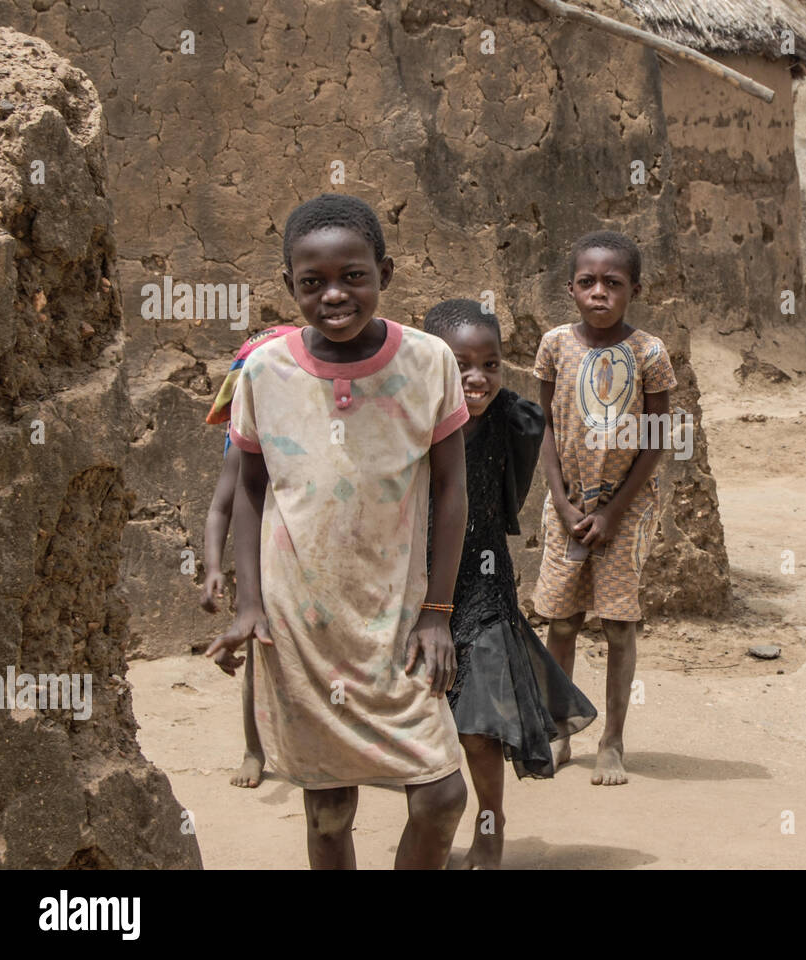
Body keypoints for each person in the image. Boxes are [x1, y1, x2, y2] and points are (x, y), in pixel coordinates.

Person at [206, 194, 469, 869]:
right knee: (328, 813)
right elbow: (250, 490)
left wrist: (437, 613)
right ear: (286, 285)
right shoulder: (264, 371)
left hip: (398, 622)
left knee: (440, 796)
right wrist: (248, 602)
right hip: (301, 627)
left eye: (353, 276)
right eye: (311, 282)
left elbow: (450, 492)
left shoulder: (430, 363)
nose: (334, 295)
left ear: (385, 270)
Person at [423, 298, 596, 869]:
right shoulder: (410, 420)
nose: (477, 378)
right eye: (460, 364)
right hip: (420, 590)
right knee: (428, 717)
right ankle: (429, 835)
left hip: (484, 585)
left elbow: (509, 498)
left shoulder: (513, 421)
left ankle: (489, 829)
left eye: (490, 365)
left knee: (479, 724)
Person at [532, 230, 677, 787]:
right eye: (588, 282)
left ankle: (612, 742)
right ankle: (560, 731)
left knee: (618, 627)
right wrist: (564, 503)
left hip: (627, 512)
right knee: (562, 622)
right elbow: (544, 424)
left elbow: (658, 439)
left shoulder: (649, 353)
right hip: (566, 506)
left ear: (633, 289)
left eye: (612, 283)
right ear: (571, 288)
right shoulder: (554, 346)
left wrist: (614, 512)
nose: (599, 292)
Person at [200, 323, 298, 789]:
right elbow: (222, 506)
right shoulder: (243, 447)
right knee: (260, 657)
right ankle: (254, 749)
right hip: (262, 564)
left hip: (311, 561)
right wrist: (216, 568)